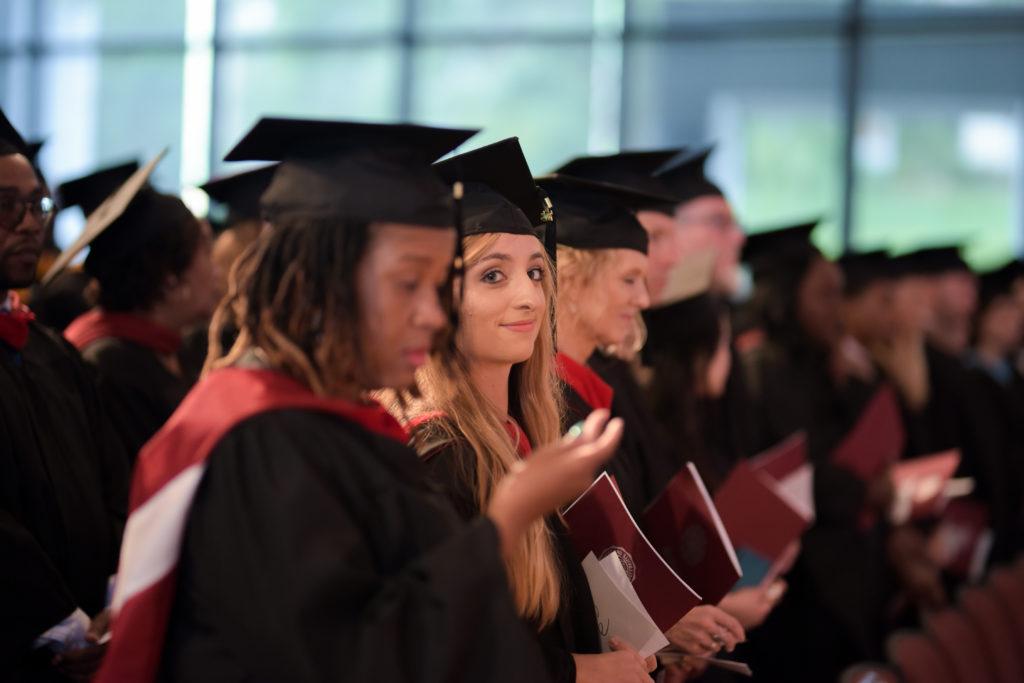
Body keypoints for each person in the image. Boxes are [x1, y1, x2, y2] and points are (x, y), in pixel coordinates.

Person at [96, 118, 624, 683]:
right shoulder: (265, 439)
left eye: (437, 285)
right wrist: (507, 519)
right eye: (407, 284)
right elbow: (352, 659)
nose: (433, 313)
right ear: (325, 283)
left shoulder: (335, 426)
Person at [408, 138, 656, 683]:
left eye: (536, 273)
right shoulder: (437, 456)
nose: (527, 296)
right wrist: (582, 672)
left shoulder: (526, 434)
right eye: (492, 275)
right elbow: (446, 648)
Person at [538, 172, 747, 673]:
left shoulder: (598, 393)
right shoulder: (546, 405)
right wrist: (659, 624)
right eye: (629, 280)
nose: (646, 298)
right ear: (571, 282)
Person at [0, 108, 128, 681]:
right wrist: (61, 625)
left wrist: (114, 604)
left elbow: (114, 482)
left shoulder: (55, 354)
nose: (31, 223)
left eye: (38, 205)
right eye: (8, 206)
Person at [50, 153, 220, 461]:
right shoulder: (107, 367)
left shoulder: (173, 347)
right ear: (170, 278)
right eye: (206, 252)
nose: (217, 270)